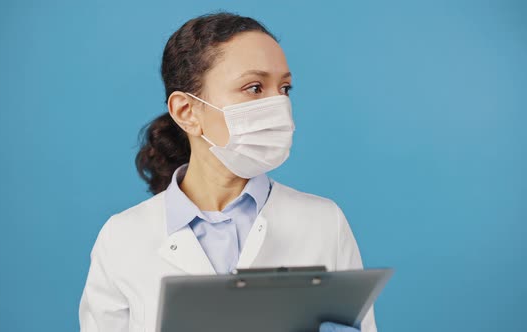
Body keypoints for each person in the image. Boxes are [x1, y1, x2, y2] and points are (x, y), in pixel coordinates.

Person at [79, 12, 377, 332]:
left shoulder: (323, 222)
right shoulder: (122, 237)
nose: (278, 105)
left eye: (285, 89)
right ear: (187, 111)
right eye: (254, 87)